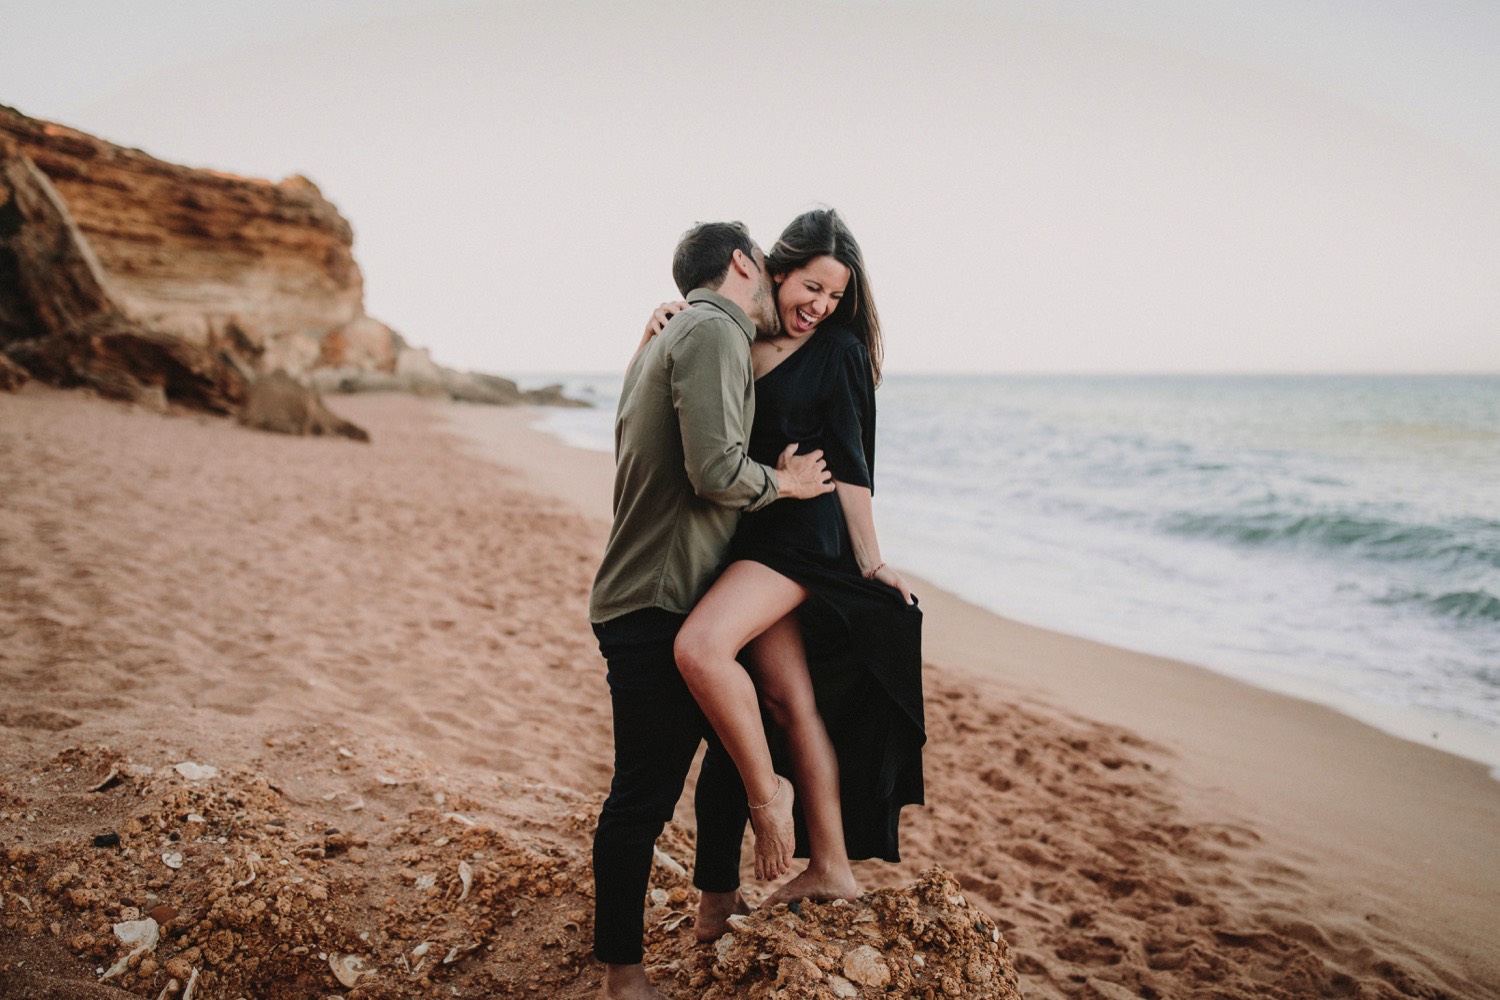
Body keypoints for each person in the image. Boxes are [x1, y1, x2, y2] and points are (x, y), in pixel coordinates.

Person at [588, 220, 836, 1000]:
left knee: (735, 751)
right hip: (657, 600)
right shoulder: (715, 329)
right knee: (643, 795)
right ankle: (622, 972)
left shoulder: (668, 334)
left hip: (662, 592)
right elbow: (713, 470)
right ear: (743, 263)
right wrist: (787, 485)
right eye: (773, 270)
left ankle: (714, 904)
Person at [652, 208, 926, 905]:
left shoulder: (837, 353)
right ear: (775, 272)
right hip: (755, 534)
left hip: (807, 537)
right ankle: (830, 866)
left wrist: (869, 561)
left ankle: (771, 799)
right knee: (789, 698)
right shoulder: (733, 337)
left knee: (703, 645)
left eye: (834, 296)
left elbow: (856, 470)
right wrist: (664, 325)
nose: (821, 307)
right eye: (811, 287)